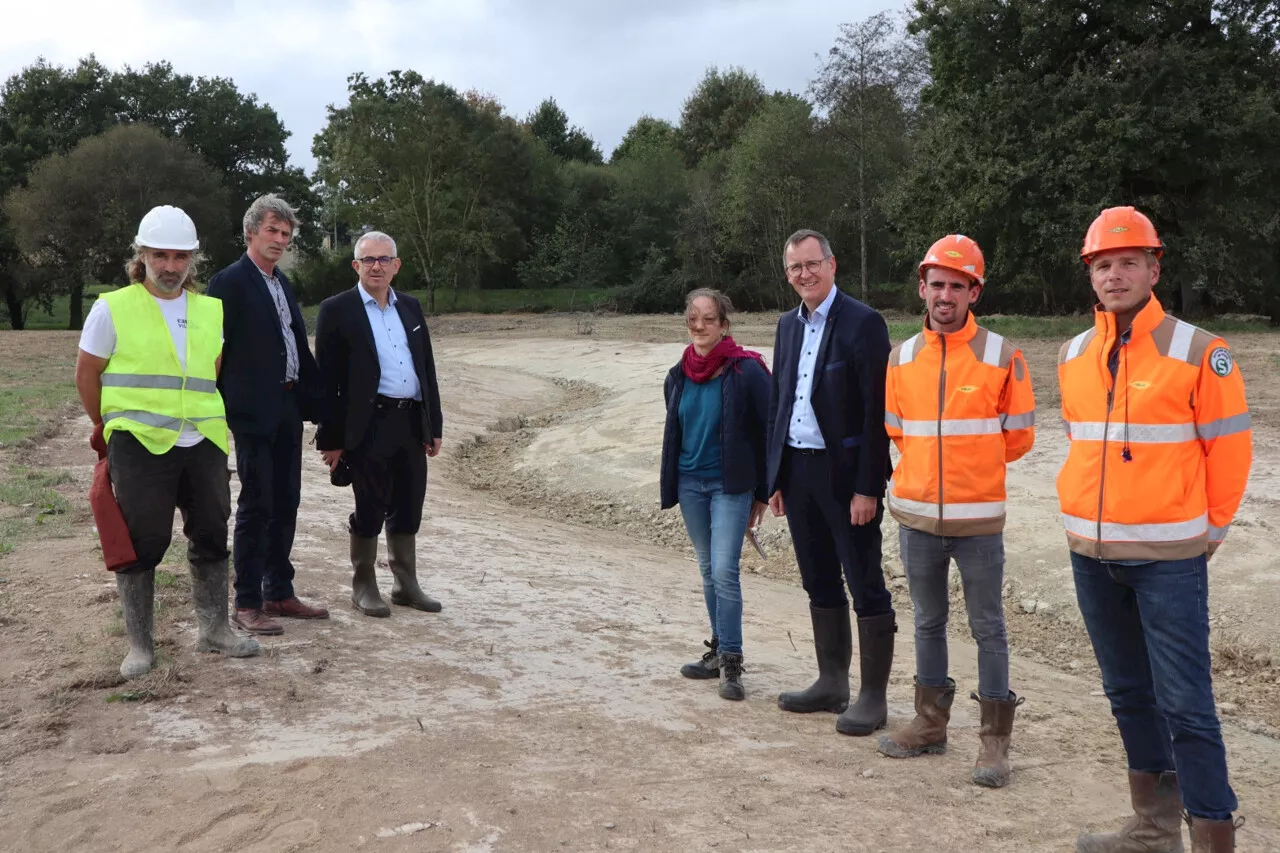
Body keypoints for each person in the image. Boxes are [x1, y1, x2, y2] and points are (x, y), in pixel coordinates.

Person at [1060, 207, 1251, 853]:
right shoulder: (1073, 354)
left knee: (1187, 706)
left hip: (1169, 559)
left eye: (1127, 262)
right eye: (1103, 264)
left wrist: (1211, 531)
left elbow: (1230, 452)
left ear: (1153, 267)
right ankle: (1152, 829)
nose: (1115, 275)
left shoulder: (1200, 351)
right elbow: (1081, 446)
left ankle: (1213, 838)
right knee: (1126, 693)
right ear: (1091, 274)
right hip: (1091, 552)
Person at [874, 235, 1035, 789]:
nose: (945, 294)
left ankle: (994, 744)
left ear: (974, 292)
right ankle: (929, 722)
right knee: (927, 620)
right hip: (917, 518)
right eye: (937, 283)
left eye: (957, 285)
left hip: (978, 522)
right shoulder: (901, 357)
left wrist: (969, 470)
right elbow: (897, 430)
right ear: (922, 288)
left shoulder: (1002, 354)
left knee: (989, 627)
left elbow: (1019, 437)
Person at [75, 205, 259, 678]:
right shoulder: (112, 307)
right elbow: (87, 374)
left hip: (203, 440)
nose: (171, 266)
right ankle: (140, 645)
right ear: (142, 255)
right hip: (138, 442)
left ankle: (215, 630)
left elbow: (209, 374)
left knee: (212, 533)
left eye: (181, 256)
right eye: (161, 255)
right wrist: (111, 424)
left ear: (193, 259)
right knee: (142, 541)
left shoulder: (210, 310)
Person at [765, 228, 896, 736]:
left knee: (864, 579)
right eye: (795, 268)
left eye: (812, 264)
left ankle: (872, 697)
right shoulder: (785, 326)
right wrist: (773, 476)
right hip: (797, 472)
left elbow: (873, 414)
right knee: (817, 576)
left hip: (845, 478)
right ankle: (831, 681)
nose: (804, 274)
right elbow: (780, 402)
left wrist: (869, 487)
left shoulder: (864, 323)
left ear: (832, 264)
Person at [207, 194, 328, 636]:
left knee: (287, 501)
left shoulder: (281, 283)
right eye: (272, 231)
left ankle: (279, 590)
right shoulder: (229, 283)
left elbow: (293, 342)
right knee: (257, 504)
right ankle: (247, 601)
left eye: (286, 234)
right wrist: (226, 404)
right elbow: (212, 352)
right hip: (252, 411)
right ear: (250, 232)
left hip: (288, 407)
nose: (279, 240)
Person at [314, 231, 444, 617]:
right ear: (356, 266)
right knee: (370, 504)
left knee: (409, 502)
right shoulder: (337, 310)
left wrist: (433, 425)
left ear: (396, 265)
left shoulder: (411, 307)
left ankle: (405, 584)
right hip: (368, 424)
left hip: (409, 420)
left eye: (384, 259)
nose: (376, 266)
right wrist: (331, 438)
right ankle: (364, 585)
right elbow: (328, 382)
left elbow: (427, 369)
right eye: (368, 260)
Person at [660, 289, 770, 701]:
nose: (700, 326)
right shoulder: (677, 374)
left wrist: (762, 492)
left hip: (730, 486)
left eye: (709, 319)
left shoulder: (748, 371)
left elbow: (768, 431)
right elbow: (678, 427)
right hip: (691, 483)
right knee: (707, 568)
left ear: (724, 324)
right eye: (693, 319)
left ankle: (733, 663)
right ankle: (718, 650)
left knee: (725, 571)